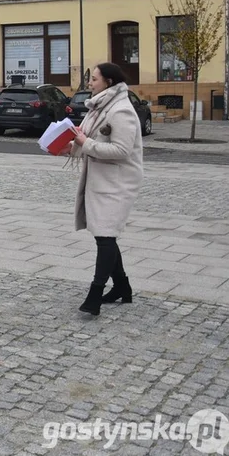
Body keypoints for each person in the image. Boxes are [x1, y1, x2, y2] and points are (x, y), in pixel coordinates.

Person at [70, 62, 143, 315]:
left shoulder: (121, 110)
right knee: (105, 234)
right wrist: (67, 144)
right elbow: (86, 139)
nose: (89, 83)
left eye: (94, 79)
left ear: (108, 82)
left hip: (118, 181)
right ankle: (123, 287)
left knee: (105, 236)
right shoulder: (99, 106)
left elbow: (122, 151)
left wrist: (85, 143)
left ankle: (95, 294)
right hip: (100, 179)